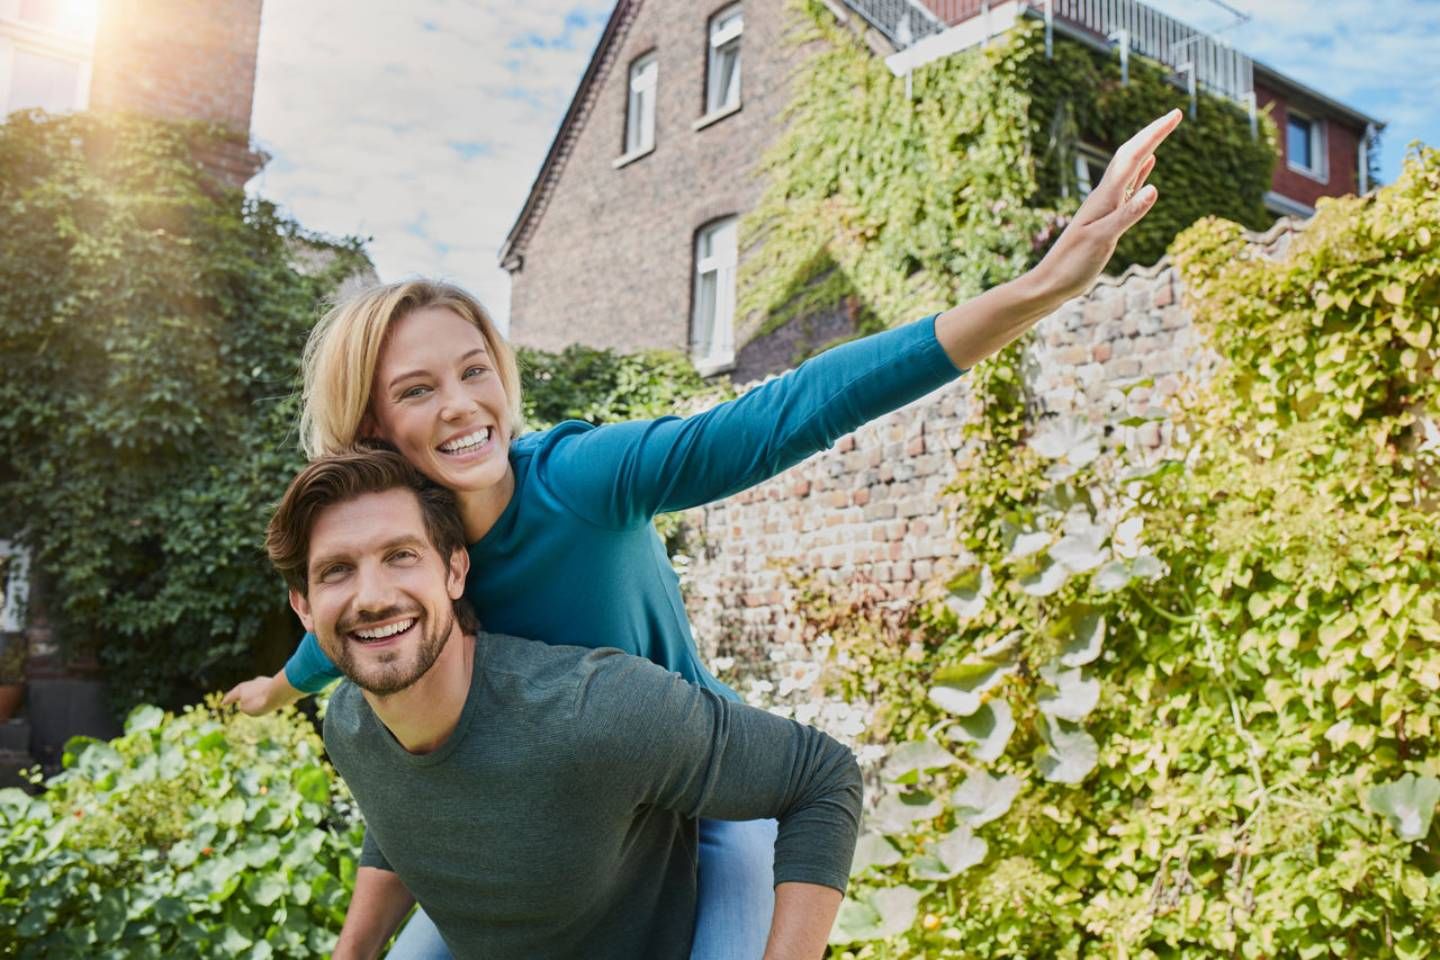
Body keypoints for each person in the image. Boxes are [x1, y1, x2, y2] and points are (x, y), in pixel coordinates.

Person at [225, 109, 1184, 958]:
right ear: (371, 426)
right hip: (579, 827)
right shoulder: (409, 561)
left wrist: (1036, 292)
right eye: (418, 389)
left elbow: (787, 412)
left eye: (477, 371)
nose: (465, 405)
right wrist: (275, 685)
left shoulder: (582, 479)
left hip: (705, 803)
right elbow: (338, 636)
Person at [266, 448, 862, 959]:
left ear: (454, 570)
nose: (372, 597)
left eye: (401, 556)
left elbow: (822, 777)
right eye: (338, 571)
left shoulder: (591, 711)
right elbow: (402, 811)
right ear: (304, 607)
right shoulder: (349, 724)